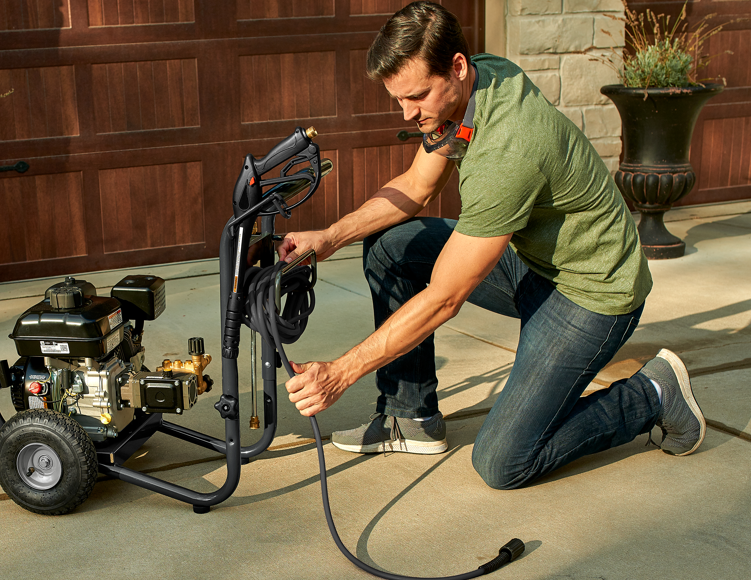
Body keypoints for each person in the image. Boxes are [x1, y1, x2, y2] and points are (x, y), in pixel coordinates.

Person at [278, 1, 705, 490]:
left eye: (417, 96)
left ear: (457, 68)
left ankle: (653, 394)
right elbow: (418, 187)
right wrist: (330, 237)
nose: (408, 113)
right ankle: (409, 417)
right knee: (391, 244)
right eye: (398, 99)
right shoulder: (479, 81)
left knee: (503, 462)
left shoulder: (510, 149)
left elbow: (445, 298)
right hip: (534, 266)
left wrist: (340, 372)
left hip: (592, 294)